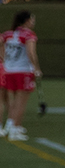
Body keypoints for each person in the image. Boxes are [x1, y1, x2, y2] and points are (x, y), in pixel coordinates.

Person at [2, 11, 39, 141]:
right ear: (27, 21)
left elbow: (1, 44)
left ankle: (11, 126)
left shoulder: (8, 34)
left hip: (9, 71)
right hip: (23, 71)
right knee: (21, 102)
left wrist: (4, 59)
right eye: (32, 20)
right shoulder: (28, 35)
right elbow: (31, 52)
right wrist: (36, 68)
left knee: (13, 101)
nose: (33, 22)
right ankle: (15, 129)